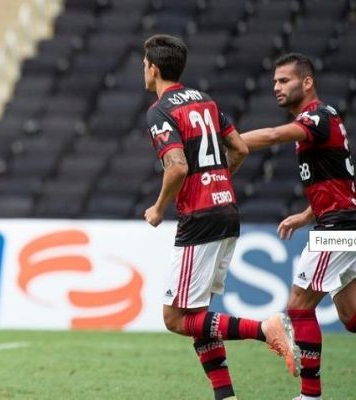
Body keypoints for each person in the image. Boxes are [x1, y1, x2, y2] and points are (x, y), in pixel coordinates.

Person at [142, 34, 301, 400]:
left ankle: (266, 328)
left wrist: (158, 207)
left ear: (153, 67)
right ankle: (225, 395)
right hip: (226, 210)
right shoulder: (205, 101)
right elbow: (240, 147)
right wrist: (218, 180)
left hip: (200, 217)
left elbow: (177, 167)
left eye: (144, 64)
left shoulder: (161, 111)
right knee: (198, 316)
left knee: (175, 319)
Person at [241, 52, 356, 400]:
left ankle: (310, 396)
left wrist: (229, 140)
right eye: (275, 81)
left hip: (337, 229)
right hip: (341, 222)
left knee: (299, 307)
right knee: (351, 316)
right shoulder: (319, 121)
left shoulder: (317, 116)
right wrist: (306, 215)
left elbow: (275, 133)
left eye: (284, 80)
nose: (276, 87)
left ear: (306, 82)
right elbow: (339, 180)